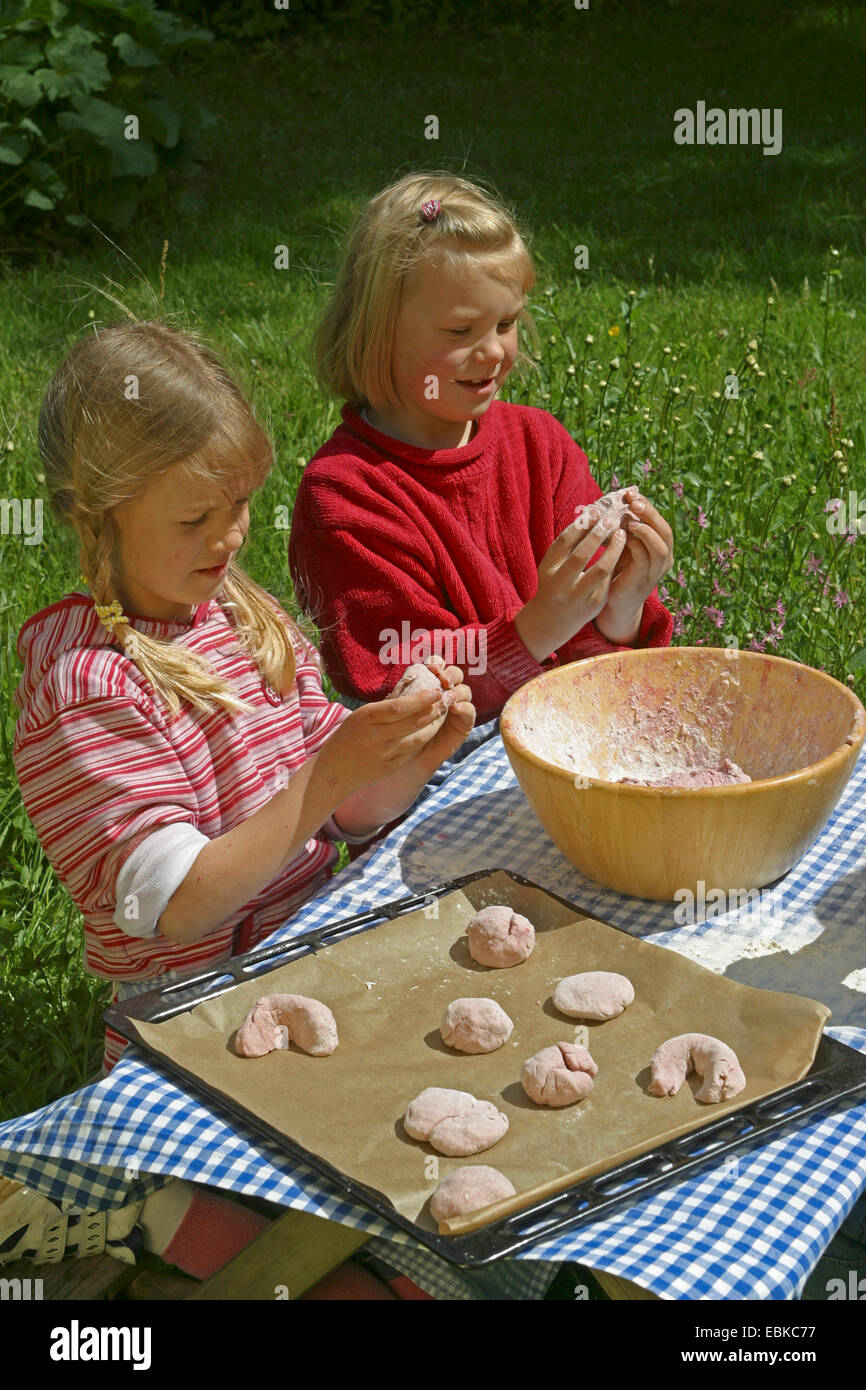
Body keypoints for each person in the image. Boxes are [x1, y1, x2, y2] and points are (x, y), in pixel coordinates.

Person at [9, 317, 475, 1297]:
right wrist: (326, 774)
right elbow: (178, 904)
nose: (227, 538)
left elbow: (344, 817)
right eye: (193, 520)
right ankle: (138, 1202)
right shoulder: (90, 685)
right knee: (360, 1270)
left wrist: (401, 755)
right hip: (194, 1040)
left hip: (311, 985)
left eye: (240, 507)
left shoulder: (240, 616)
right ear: (96, 518)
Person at [289, 172, 675, 813]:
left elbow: (595, 666)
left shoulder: (538, 444)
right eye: (460, 331)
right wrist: (533, 629)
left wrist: (622, 606)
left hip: (573, 744)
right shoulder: (345, 494)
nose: (493, 351)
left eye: (507, 322)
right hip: (438, 790)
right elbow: (401, 683)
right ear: (378, 330)